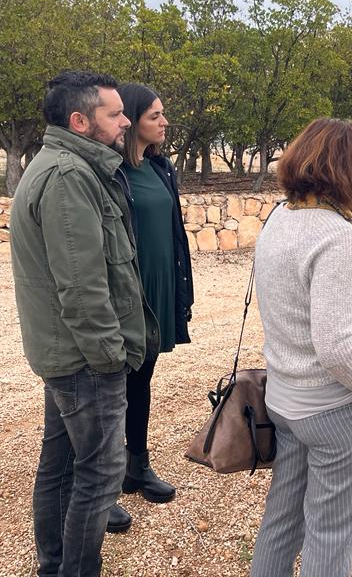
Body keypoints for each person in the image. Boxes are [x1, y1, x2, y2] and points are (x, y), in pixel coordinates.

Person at [10, 70, 157, 576]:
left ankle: (53, 567)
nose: (124, 122)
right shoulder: (70, 176)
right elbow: (82, 286)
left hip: (67, 354)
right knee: (97, 474)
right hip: (84, 361)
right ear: (80, 120)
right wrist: (110, 358)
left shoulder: (65, 165)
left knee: (61, 466)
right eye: (114, 114)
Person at [249, 118, 352, 577]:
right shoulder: (335, 234)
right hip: (332, 407)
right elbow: (334, 344)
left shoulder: (279, 217)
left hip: (284, 399)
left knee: (281, 522)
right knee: (331, 535)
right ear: (347, 167)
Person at [110, 83, 194, 529]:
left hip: (159, 290)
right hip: (128, 294)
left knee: (141, 381)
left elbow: (173, 234)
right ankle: (102, 481)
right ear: (133, 121)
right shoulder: (112, 172)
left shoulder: (161, 169)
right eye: (155, 116)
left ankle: (136, 465)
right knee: (110, 390)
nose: (164, 122)